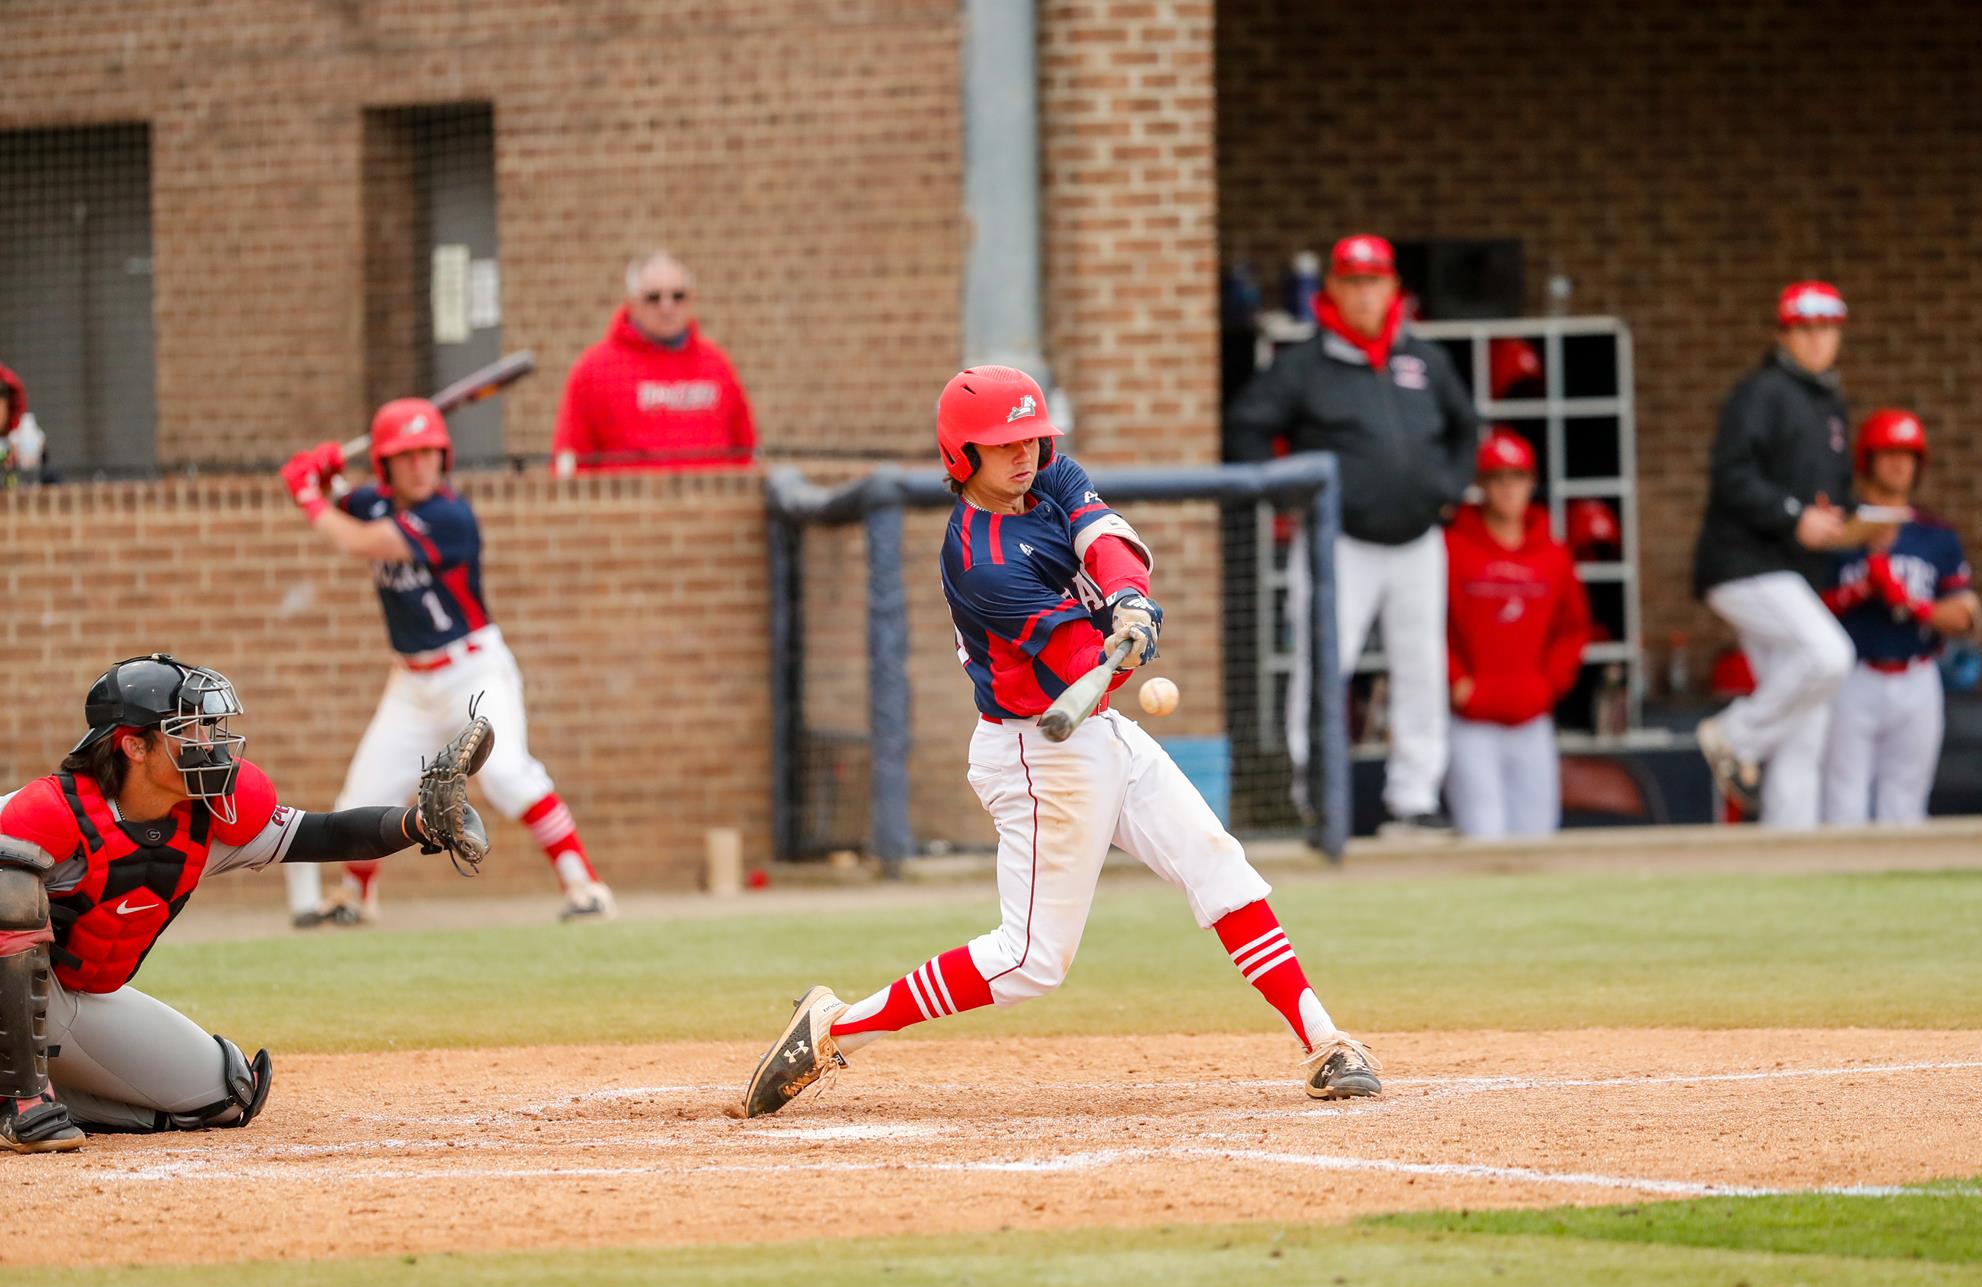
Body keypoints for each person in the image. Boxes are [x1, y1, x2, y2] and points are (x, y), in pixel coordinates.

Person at [737, 365, 1381, 1120]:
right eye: (1004, 444)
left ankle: (1325, 1040)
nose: (1026, 454)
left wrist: (1131, 600)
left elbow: (1105, 536)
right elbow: (1082, 669)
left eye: (1033, 438)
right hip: (1038, 751)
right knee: (1029, 961)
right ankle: (835, 1026)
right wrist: (1119, 646)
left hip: (1095, 730)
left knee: (1217, 861)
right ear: (960, 457)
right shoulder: (982, 562)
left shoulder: (1048, 477)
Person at [0, 653, 484, 1152]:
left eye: (209, 727)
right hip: (11, 995)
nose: (208, 743)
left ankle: (35, 1093)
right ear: (134, 746)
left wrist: (420, 824)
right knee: (7, 887)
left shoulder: (205, 817)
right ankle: (22, 1103)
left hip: (73, 999)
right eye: (188, 730)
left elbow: (325, 833)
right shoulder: (50, 811)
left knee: (226, 1093)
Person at [278, 401, 616, 925]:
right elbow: (348, 506)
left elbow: (362, 540)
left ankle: (584, 886)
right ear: (387, 465)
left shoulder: (449, 516)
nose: (420, 466)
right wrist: (323, 475)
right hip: (410, 682)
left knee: (507, 774)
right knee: (363, 794)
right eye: (406, 455)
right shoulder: (375, 501)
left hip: (473, 672)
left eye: (429, 453)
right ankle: (355, 898)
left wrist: (308, 497)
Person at [1224, 234, 1479, 834]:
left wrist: (1446, 488)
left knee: (1421, 669)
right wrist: (1288, 499)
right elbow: (1247, 427)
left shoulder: (1423, 358)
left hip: (1418, 540)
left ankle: (1414, 800)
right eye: (1353, 281)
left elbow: (1466, 429)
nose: (1365, 293)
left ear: (1393, 288)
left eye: (1375, 281)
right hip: (1338, 544)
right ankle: (1311, 791)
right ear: (1333, 289)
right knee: (1321, 667)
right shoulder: (1303, 366)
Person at [1691, 281, 1869, 828]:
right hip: (1745, 565)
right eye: (1805, 329)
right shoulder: (1761, 392)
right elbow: (1732, 476)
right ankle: (1733, 736)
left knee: (1804, 729)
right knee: (1830, 656)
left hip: (1792, 573)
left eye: (1827, 328)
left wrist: (1856, 523)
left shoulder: (1829, 403)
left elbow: (1831, 493)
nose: (1818, 341)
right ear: (1782, 334)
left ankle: (1791, 857)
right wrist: (1796, 517)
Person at [1820, 410, 1980, 825]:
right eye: (1888, 453)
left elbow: (1964, 617)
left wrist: (1910, 603)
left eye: (1908, 455)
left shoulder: (1936, 534)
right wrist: (1859, 590)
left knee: (1905, 803)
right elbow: (1812, 610)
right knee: (1843, 800)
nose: (1898, 464)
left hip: (1917, 677)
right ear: (1866, 460)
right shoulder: (1840, 530)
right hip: (1852, 676)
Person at [1443, 429, 1592, 839]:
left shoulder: (1553, 553)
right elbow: (1429, 626)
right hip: (1472, 721)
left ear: (1532, 482)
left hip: (1532, 719)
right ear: (1481, 486)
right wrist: (1456, 682)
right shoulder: (1451, 547)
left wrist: (1548, 684)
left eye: (1518, 477)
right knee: (1481, 837)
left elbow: (1574, 629)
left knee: (1538, 836)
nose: (1509, 489)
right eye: (1497, 478)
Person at [550, 251, 757, 474]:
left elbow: (745, 454)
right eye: (653, 297)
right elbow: (570, 466)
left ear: (691, 299)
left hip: (712, 506)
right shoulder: (594, 370)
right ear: (633, 303)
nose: (666, 307)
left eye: (677, 296)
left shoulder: (717, 365)